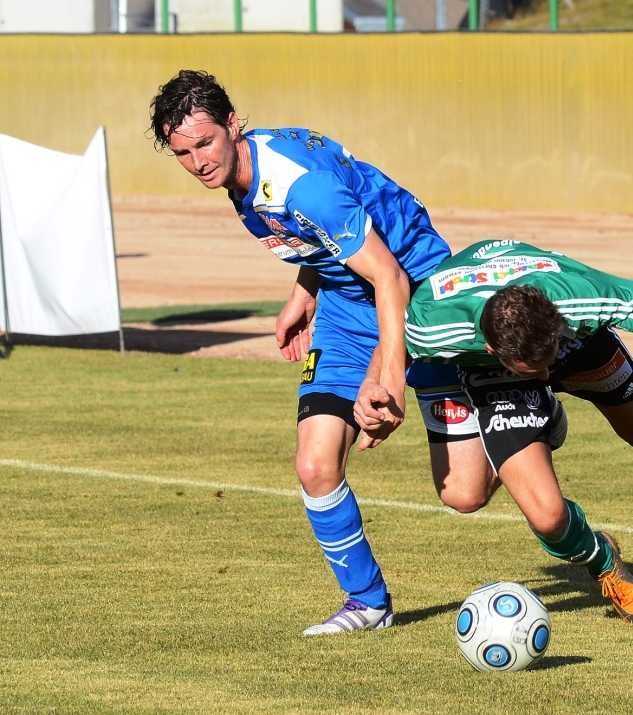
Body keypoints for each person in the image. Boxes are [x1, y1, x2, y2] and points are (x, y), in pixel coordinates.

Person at [149, 69, 465, 635]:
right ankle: (368, 603)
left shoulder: (300, 185)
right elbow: (320, 241)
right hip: (348, 303)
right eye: (183, 152)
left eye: (205, 143)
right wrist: (303, 293)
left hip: (416, 290)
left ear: (233, 124)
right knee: (315, 466)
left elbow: (389, 277)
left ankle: (533, 406)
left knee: (463, 494)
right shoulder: (244, 176)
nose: (198, 162)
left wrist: (387, 377)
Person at [361, 240, 633, 625]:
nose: (548, 373)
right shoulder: (435, 325)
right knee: (546, 516)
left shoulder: (583, 298)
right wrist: (375, 390)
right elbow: (390, 339)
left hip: (579, 344)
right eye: (540, 370)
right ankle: (604, 561)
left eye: (547, 362)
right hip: (497, 376)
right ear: (493, 347)